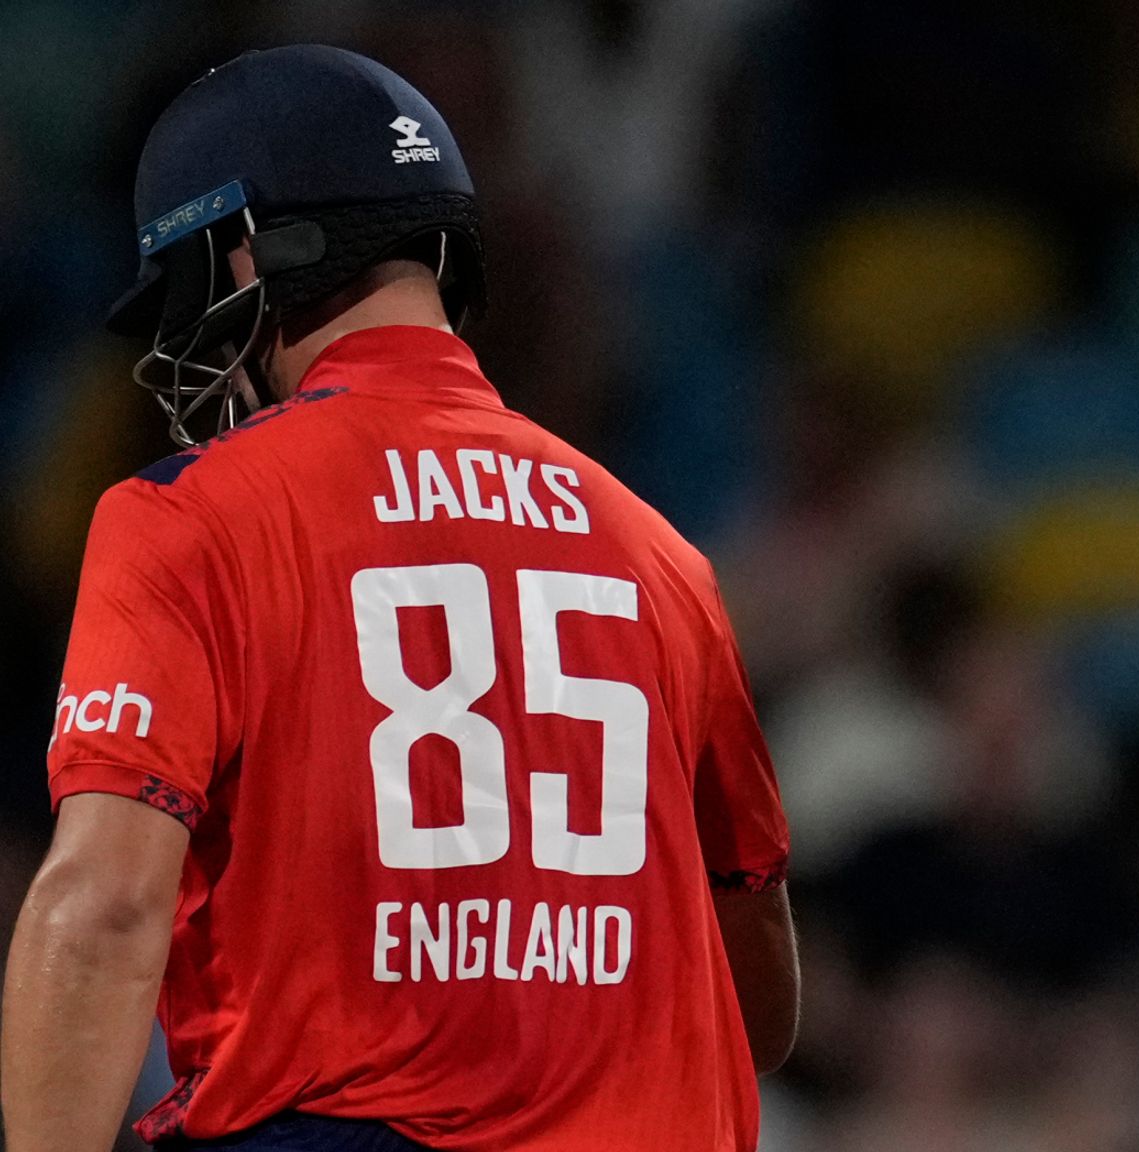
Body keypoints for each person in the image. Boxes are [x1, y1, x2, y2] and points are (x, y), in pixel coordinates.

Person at [2, 45, 796, 1152]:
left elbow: (105, 906)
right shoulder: (662, 554)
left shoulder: (190, 516)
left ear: (241, 261)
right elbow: (758, 1003)